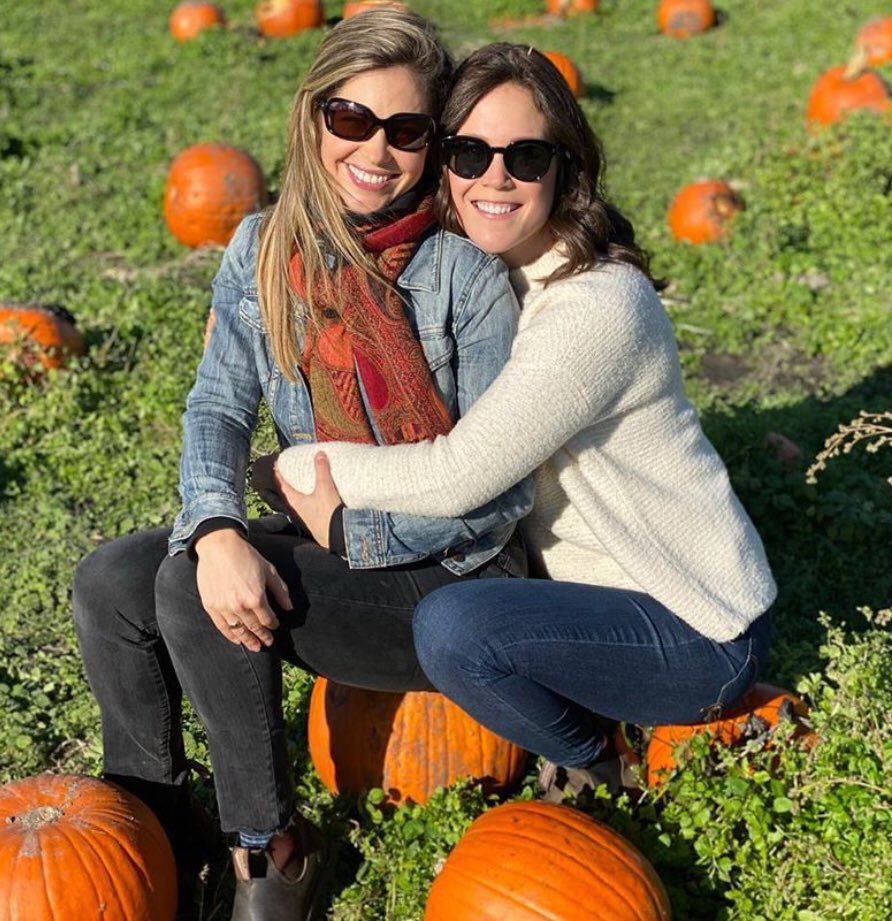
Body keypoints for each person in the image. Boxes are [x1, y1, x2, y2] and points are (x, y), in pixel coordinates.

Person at [71, 14, 532, 920]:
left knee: (184, 592)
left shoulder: (463, 275)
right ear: (313, 117)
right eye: (351, 118)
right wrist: (212, 524)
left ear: (435, 144)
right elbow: (216, 405)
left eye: (407, 133)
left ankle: (269, 847)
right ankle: (160, 822)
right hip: (325, 531)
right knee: (112, 580)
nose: (376, 151)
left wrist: (347, 530)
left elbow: (498, 490)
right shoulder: (262, 250)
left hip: (455, 582)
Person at [274, 42, 778, 803]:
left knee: (456, 629)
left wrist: (304, 475)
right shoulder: (483, 278)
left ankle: (600, 761)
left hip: (692, 628)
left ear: (563, 168)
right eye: (469, 152)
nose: (493, 178)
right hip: (585, 599)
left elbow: (459, 471)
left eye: (525, 156)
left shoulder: (594, 306)